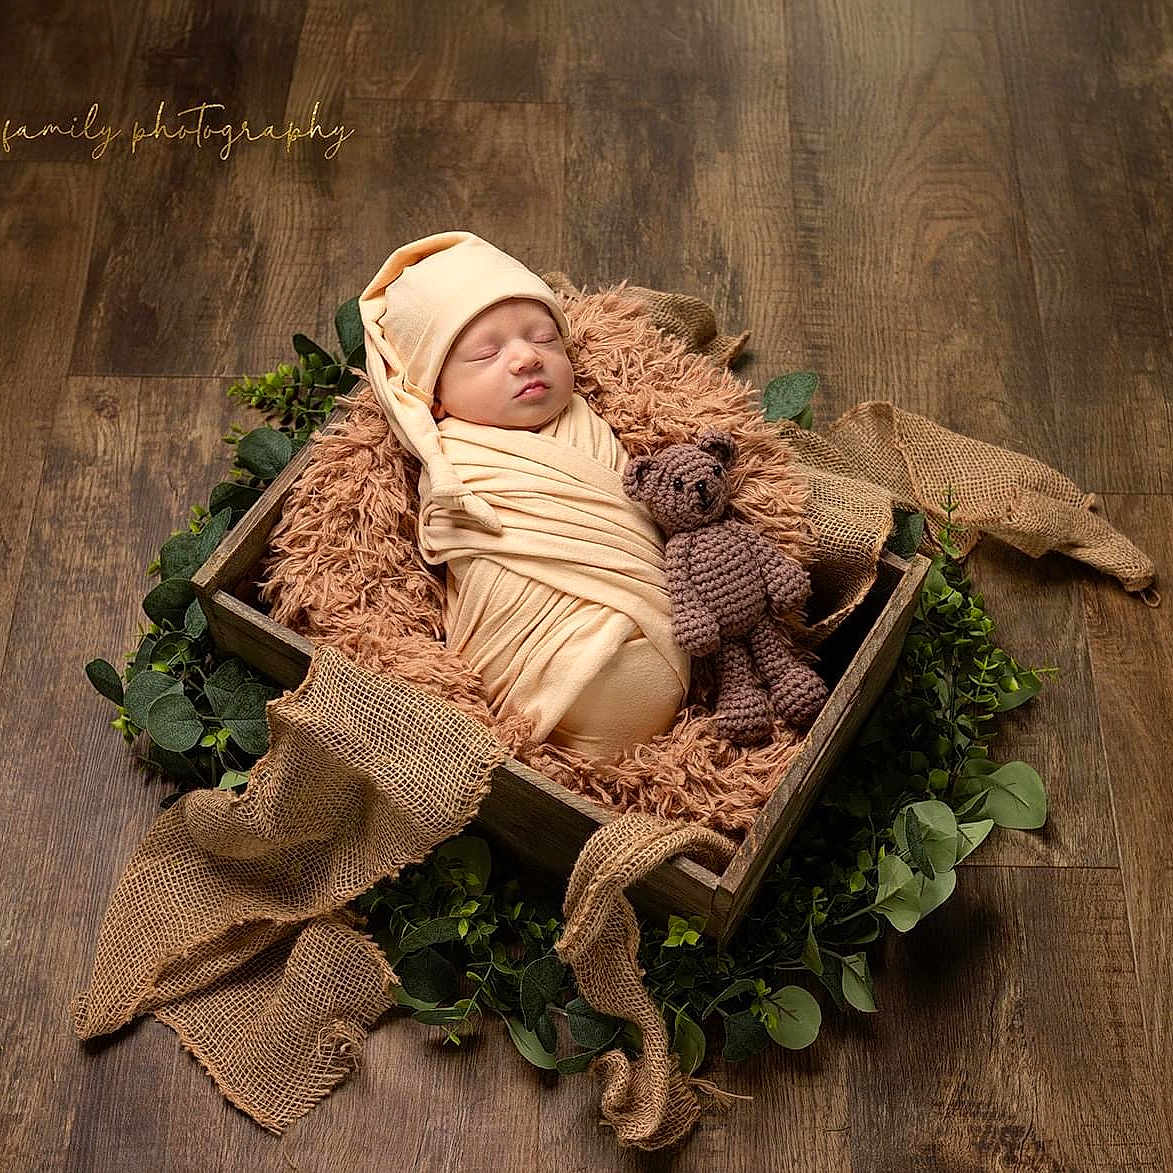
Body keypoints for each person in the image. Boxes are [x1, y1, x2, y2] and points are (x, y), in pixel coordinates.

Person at [357, 230, 689, 758]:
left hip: (663, 632)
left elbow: (647, 521)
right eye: (486, 353)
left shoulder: (588, 422)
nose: (526, 358)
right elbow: (459, 552)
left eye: (544, 338)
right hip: (532, 673)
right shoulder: (453, 458)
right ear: (434, 397)